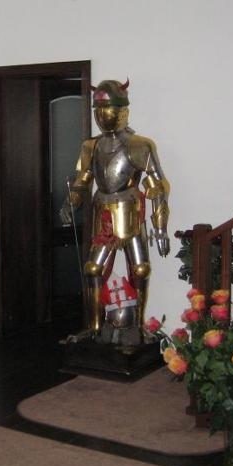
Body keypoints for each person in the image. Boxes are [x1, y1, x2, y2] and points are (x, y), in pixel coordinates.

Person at [60, 79, 170, 344]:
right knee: (92, 269)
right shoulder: (91, 146)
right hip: (103, 212)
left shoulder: (140, 145)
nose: (102, 114)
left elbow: (157, 186)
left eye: (106, 107)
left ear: (123, 111)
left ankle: (139, 326)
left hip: (130, 209)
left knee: (140, 269)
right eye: (98, 108)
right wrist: (70, 202)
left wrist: (160, 228)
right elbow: (83, 180)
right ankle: (95, 327)